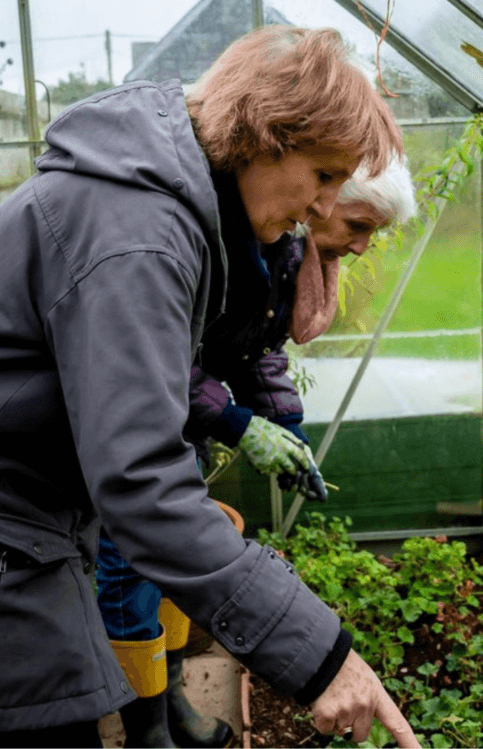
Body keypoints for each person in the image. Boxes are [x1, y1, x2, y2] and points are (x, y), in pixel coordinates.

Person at [0, 25, 420, 748]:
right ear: (269, 135)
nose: (323, 204)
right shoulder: (140, 233)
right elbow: (142, 481)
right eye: (326, 173)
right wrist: (322, 659)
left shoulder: (169, 202)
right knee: (40, 721)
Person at [95, 155, 418, 748]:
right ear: (319, 197)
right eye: (356, 225)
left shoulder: (291, 253)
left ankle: (169, 702)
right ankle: (145, 730)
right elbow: (165, 359)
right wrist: (242, 424)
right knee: (127, 565)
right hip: (133, 428)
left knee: (167, 566)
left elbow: (257, 344)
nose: (363, 246)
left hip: (181, 425)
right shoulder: (223, 238)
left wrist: (284, 423)